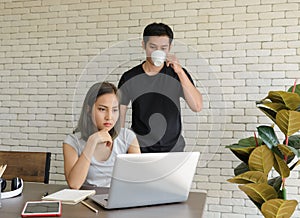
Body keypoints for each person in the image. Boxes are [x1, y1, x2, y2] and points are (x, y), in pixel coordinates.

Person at [118, 22, 203, 153]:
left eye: (163, 48)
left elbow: (197, 106)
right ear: (143, 45)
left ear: (170, 48)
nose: (158, 52)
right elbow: (119, 117)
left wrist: (180, 71)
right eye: (153, 47)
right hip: (139, 149)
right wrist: (121, 147)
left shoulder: (177, 74)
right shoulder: (130, 77)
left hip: (174, 149)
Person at [63, 82, 140, 189]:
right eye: (102, 109)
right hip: (86, 201)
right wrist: (92, 143)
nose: (109, 117)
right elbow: (74, 184)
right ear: (88, 110)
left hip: (118, 199)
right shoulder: (72, 141)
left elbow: (138, 179)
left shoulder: (127, 137)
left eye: (114, 110)